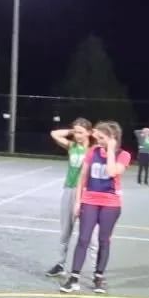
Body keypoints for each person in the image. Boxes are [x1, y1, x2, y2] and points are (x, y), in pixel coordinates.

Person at [60, 120, 131, 295]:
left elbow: (112, 172)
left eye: (101, 137)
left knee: (103, 241)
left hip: (111, 203)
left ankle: (98, 277)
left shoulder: (124, 155)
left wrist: (111, 150)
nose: (97, 140)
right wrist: (78, 201)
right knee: (83, 239)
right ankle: (74, 278)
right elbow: (82, 177)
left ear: (112, 138)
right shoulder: (92, 152)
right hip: (90, 200)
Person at [46, 118, 93, 278]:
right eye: (76, 132)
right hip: (69, 190)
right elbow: (54, 133)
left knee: (90, 235)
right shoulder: (72, 146)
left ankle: (95, 272)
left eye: (81, 132)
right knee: (65, 230)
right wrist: (72, 131)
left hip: (87, 193)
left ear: (89, 132)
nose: (77, 135)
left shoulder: (93, 150)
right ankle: (60, 264)